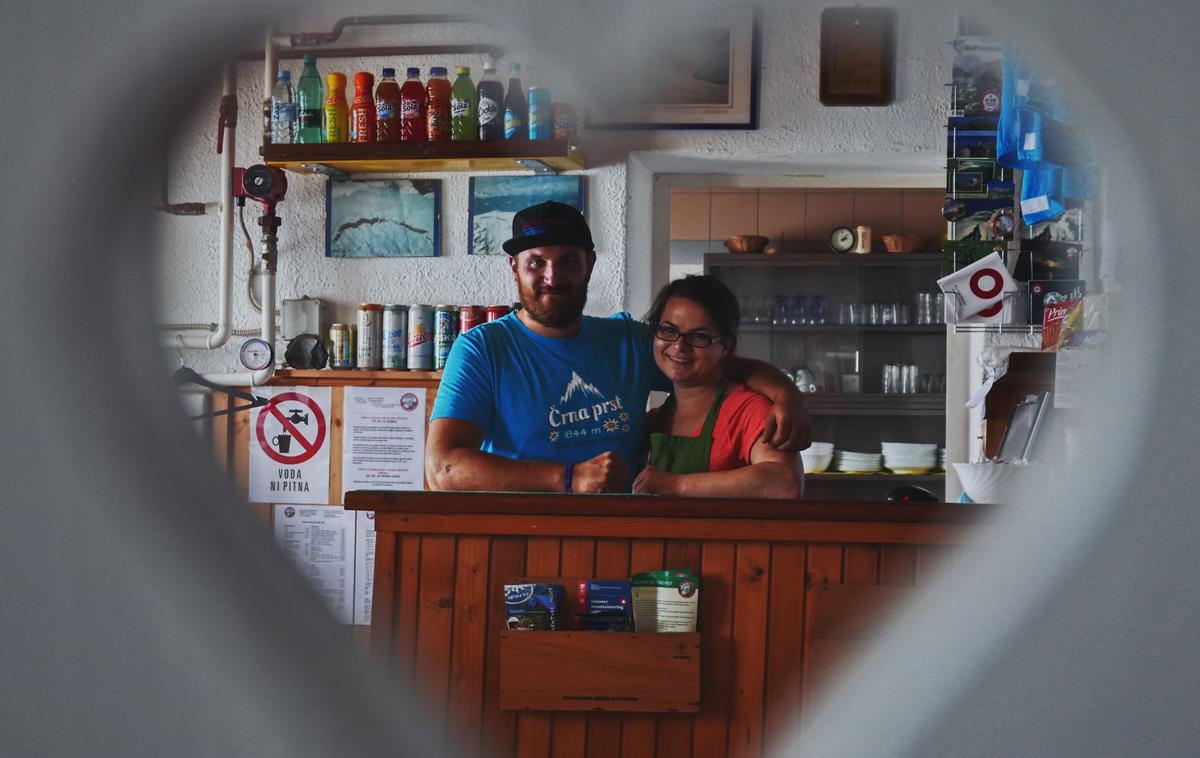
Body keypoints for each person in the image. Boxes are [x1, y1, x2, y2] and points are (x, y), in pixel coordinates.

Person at [425, 200, 810, 493]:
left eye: (568, 262)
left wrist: (787, 395)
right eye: (536, 262)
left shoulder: (625, 340)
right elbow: (442, 469)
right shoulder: (482, 349)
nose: (552, 277)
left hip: (621, 547)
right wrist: (569, 477)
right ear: (514, 267)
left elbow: (709, 360)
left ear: (590, 264)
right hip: (523, 542)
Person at [632, 276, 803, 499]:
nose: (679, 346)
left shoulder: (748, 410)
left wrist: (677, 485)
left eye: (699, 336)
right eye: (669, 330)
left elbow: (785, 483)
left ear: (726, 346)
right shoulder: (656, 420)